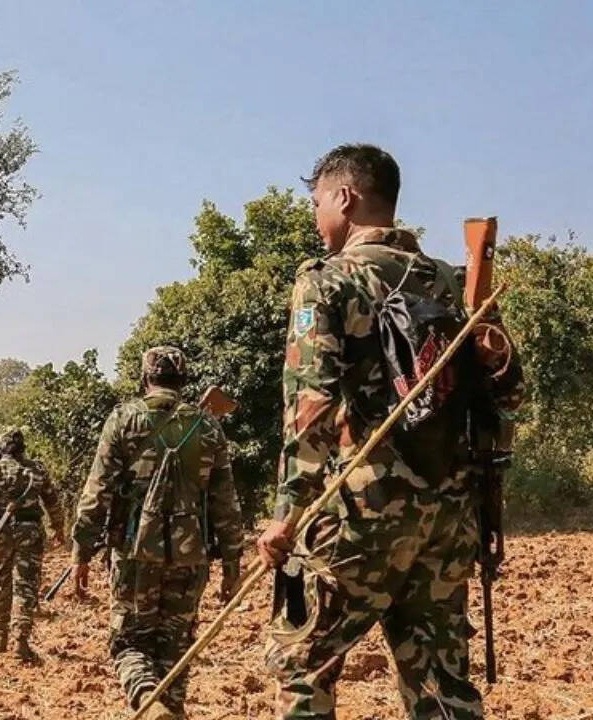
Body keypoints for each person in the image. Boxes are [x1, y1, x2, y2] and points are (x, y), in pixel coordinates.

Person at [256, 144, 524, 720]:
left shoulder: (326, 280)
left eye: (317, 202)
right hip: (448, 516)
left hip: (363, 510)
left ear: (345, 198)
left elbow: (310, 406)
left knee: (302, 664)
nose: (316, 217)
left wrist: (287, 511)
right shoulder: (455, 283)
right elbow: (508, 395)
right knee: (440, 683)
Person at [69, 347, 243, 719]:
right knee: (176, 648)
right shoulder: (208, 426)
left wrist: (81, 552)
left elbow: (97, 493)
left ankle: (147, 696)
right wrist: (232, 564)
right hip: (190, 556)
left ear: (145, 378)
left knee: (129, 643)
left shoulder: (123, 420)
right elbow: (225, 503)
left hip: (135, 554)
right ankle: (168, 709)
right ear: (183, 380)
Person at [0, 427, 64, 662]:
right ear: (23, 446)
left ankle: (0, 637)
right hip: (30, 532)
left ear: (2, 447)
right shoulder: (37, 470)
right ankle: (21, 642)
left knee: (0, 581)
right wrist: (58, 527)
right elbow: (52, 501)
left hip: (1, 534)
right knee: (25, 585)